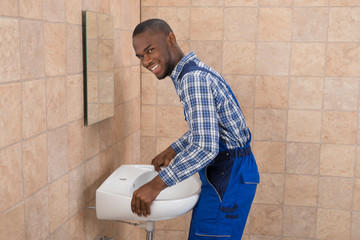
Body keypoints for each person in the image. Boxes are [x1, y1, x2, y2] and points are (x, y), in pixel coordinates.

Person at [131, 18, 259, 239]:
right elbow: (210, 128)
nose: (146, 61)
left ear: (171, 38)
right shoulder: (194, 72)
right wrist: (173, 150)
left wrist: (156, 185)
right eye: (141, 56)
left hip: (228, 176)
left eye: (150, 50)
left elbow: (205, 148)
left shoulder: (192, 79)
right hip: (231, 174)